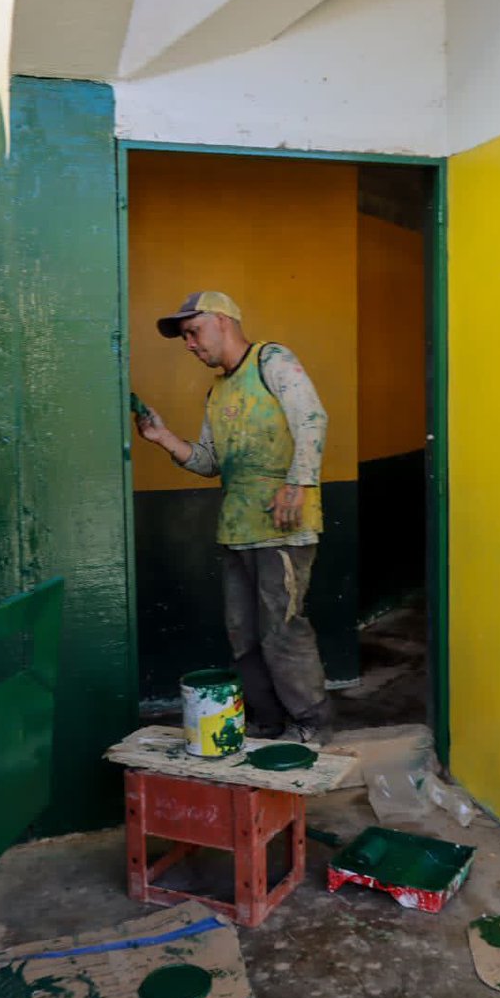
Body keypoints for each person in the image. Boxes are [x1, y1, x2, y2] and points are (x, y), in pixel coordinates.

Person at [135, 290, 332, 744]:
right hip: (237, 531)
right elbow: (209, 461)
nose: (189, 344)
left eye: (193, 331)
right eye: (184, 336)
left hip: (283, 527)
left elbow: (312, 419)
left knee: (282, 629)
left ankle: (312, 725)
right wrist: (163, 437)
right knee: (243, 635)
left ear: (222, 320)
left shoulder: (273, 361)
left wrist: (298, 483)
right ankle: (268, 722)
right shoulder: (218, 389)